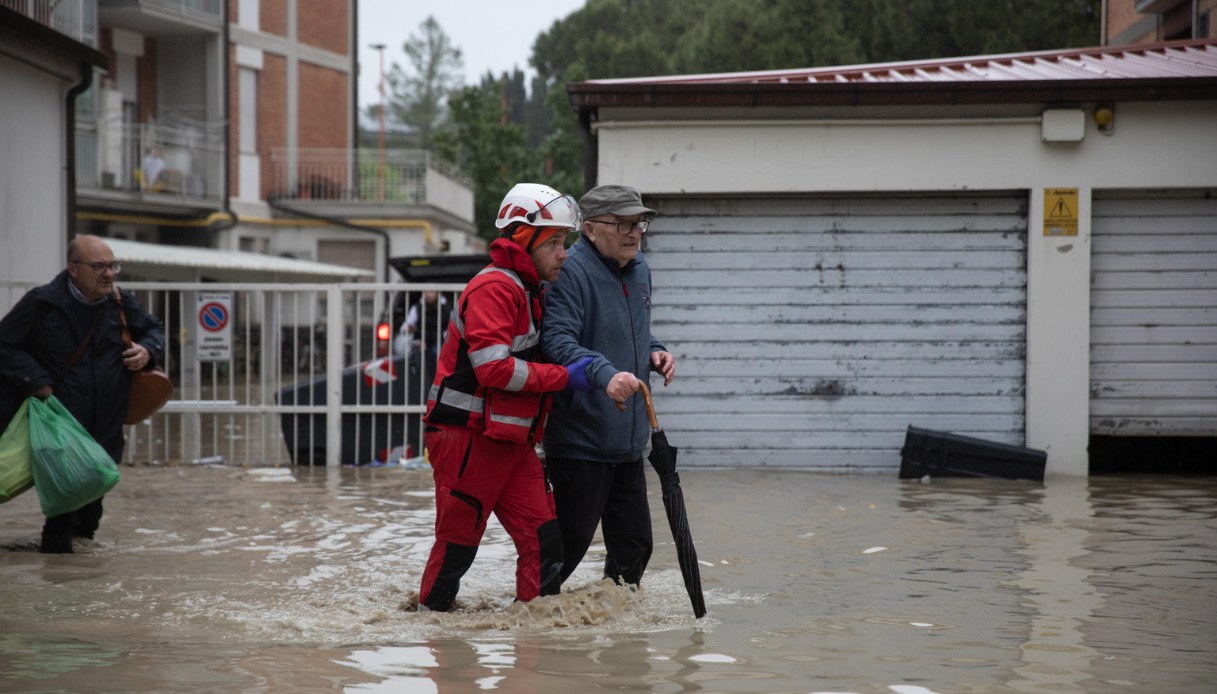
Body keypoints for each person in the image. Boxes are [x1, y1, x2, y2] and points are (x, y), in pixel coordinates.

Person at [417, 183, 597, 612]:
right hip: (468, 439)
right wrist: (564, 377)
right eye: (554, 243)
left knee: (545, 542)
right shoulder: (495, 288)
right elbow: (492, 369)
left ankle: (535, 639)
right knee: (457, 547)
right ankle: (432, 637)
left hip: (510, 442)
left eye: (564, 242)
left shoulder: (529, 289)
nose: (563, 254)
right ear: (523, 239)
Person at [540, 184, 676, 587]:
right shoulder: (570, 271)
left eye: (639, 224)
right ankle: (527, 618)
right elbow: (557, 342)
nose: (634, 233)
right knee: (566, 550)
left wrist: (655, 351)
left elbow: (633, 331)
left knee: (635, 550)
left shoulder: (640, 267)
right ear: (590, 229)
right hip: (581, 440)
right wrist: (604, 373)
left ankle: (616, 622)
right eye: (622, 224)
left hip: (629, 441)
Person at [0, 235, 165, 553]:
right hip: (60, 422)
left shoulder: (120, 301)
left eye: (112, 266)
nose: (108, 274)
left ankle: (79, 567)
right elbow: (4, 344)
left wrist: (148, 350)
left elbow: (154, 328)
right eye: (99, 266)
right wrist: (35, 379)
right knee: (63, 513)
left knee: (90, 514)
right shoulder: (42, 303)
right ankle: (59, 564)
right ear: (73, 269)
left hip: (106, 422)